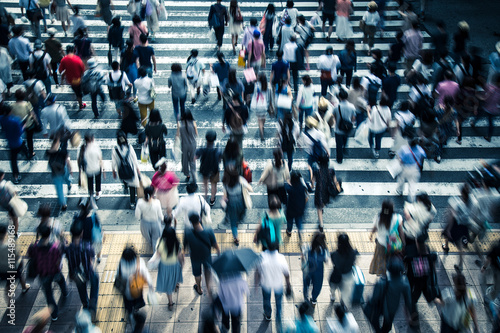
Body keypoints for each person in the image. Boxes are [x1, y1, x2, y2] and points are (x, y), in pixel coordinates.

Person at [28, 224, 68, 321]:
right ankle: (65, 292)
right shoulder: (55, 247)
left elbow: (30, 256)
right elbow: (60, 258)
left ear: (40, 234)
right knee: (61, 281)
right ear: (49, 234)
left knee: (49, 294)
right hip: (55, 271)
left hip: (43, 274)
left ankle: (54, 315)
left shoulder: (34, 247)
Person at [65, 219, 99, 320]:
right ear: (82, 233)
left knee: (82, 291)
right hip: (88, 272)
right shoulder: (87, 246)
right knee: (94, 286)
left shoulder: (68, 249)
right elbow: (92, 259)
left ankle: (85, 305)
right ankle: (92, 307)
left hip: (77, 275)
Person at [368, 257, 412, 333]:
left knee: (375, 321)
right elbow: (408, 300)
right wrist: (408, 312)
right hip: (392, 308)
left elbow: (374, 298)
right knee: (387, 324)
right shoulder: (404, 282)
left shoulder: (382, 281)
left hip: (380, 306)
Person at [255, 240, 291, 330]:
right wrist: (288, 285)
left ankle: (268, 315)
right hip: (278, 284)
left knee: (266, 300)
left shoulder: (262, 257)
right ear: (277, 247)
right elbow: (287, 274)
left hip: (266, 284)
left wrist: (256, 285)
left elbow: (258, 273)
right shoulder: (281, 258)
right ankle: (278, 316)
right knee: (279, 302)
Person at [183, 214, 220, 296]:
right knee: (207, 270)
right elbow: (215, 245)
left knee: (197, 273)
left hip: (195, 257)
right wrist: (218, 253)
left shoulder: (188, 232)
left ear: (190, 222)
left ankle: (199, 288)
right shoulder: (208, 230)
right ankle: (208, 288)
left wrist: (182, 258)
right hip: (206, 255)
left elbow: (184, 248)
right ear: (199, 219)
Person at [115, 247, 153, 320]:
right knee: (137, 301)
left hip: (126, 291)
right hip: (136, 289)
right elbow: (145, 274)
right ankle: (136, 309)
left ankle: (130, 314)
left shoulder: (121, 264)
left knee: (128, 303)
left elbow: (117, 275)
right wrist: (150, 285)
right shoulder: (139, 263)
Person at [153, 221, 184, 311]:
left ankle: (170, 303)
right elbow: (180, 256)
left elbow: (158, 255)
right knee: (174, 278)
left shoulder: (161, 243)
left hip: (165, 266)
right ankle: (175, 285)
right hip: (174, 265)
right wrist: (182, 264)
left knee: (167, 284)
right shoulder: (177, 243)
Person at [369, 200, 404, 276]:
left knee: (382, 260)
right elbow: (401, 232)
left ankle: (383, 275)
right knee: (392, 260)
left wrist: (371, 234)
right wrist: (403, 243)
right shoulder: (398, 217)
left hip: (381, 244)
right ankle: (391, 273)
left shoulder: (378, 217)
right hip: (393, 245)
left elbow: (375, 228)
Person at [222, 167, 253, 245]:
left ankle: (236, 238)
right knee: (240, 215)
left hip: (231, 204)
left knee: (233, 222)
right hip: (241, 202)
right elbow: (250, 189)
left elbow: (225, 196)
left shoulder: (225, 182)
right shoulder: (240, 179)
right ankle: (239, 220)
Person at [112, 131, 141, 209]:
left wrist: (113, 172)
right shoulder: (129, 148)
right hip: (130, 170)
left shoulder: (115, 150)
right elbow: (135, 160)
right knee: (132, 187)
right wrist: (138, 171)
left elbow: (113, 162)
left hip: (121, 171)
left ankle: (125, 186)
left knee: (125, 179)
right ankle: (132, 203)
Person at [0, 104, 28, 185]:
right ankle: (28, 155)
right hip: (18, 142)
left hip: (10, 143)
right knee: (24, 149)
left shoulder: (1, 118)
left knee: (13, 161)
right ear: (10, 111)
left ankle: (16, 177)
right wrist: (24, 126)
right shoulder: (15, 120)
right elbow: (20, 132)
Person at [0, 224, 30, 295]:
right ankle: (24, 287)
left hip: (2, 269)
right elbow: (17, 255)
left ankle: (10, 302)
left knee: (8, 284)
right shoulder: (11, 242)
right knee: (20, 274)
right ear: (5, 233)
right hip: (14, 267)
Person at [330, 233, 358, 306]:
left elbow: (334, 262)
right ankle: (343, 305)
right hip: (348, 275)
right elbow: (354, 262)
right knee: (345, 293)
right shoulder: (353, 253)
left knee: (333, 287)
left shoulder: (334, 254)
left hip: (336, 274)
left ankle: (333, 296)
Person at [195, 130, 222, 206]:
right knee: (214, 185)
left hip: (204, 168)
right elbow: (220, 159)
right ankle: (212, 199)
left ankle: (205, 197)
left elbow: (196, 156)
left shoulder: (203, 147)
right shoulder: (217, 147)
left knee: (205, 184)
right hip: (214, 169)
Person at [302, 232, 329, 307]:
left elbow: (303, 256)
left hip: (308, 270)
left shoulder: (308, 247)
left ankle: (305, 297)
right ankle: (314, 300)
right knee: (317, 285)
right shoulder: (324, 250)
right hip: (318, 271)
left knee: (306, 284)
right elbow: (326, 261)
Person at [11, 88, 38, 160]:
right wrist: (37, 122)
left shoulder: (12, 106)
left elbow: (11, 116)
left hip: (18, 125)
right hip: (28, 124)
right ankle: (31, 152)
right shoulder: (27, 104)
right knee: (29, 139)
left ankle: (24, 151)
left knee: (20, 138)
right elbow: (33, 114)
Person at [396, 138, 426, 202]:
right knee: (412, 184)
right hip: (415, 168)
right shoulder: (420, 150)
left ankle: (400, 190)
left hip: (405, 168)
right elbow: (422, 158)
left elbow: (401, 160)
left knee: (401, 179)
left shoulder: (404, 149)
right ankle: (411, 199)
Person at [472, 73, 500, 142]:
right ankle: (489, 136)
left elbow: (484, 96)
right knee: (491, 123)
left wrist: (478, 95)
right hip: (494, 110)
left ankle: (473, 122)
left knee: (480, 115)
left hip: (486, 107)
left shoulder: (491, 88)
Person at [135, 186, 163, 250]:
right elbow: (160, 215)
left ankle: (150, 244)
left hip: (145, 224)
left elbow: (137, 216)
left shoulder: (140, 202)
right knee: (155, 240)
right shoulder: (157, 202)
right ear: (153, 194)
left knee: (147, 238)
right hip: (155, 223)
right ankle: (154, 253)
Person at [59, 45, 86, 110]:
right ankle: (80, 104)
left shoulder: (64, 59)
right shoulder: (77, 58)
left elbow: (60, 70)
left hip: (70, 79)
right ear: (74, 51)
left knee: (75, 89)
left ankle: (76, 98)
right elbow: (82, 69)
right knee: (78, 92)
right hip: (77, 79)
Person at [333, 89, 356, 164]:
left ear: (340, 97)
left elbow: (334, 117)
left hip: (338, 129)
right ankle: (344, 149)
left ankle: (339, 159)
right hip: (347, 128)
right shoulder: (352, 107)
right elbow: (353, 118)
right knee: (345, 139)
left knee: (338, 145)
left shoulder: (336, 107)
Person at [78, 133, 103, 200]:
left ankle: (91, 194)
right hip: (97, 167)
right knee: (98, 180)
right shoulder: (95, 146)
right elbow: (100, 158)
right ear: (92, 139)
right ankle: (97, 194)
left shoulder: (82, 147)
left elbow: (79, 159)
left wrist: (80, 170)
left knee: (90, 182)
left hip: (88, 169)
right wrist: (103, 168)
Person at [367, 95, 391, 159]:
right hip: (382, 128)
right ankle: (377, 151)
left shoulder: (375, 108)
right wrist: (388, 127)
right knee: (378, 139)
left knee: (370, 137)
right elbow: (388, 121)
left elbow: (371, 119)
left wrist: (368, 111)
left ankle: (372, 146)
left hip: (373, 127)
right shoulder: (388, 109)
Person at [284, 170, 307, 238]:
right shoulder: (302, 187)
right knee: (299, 222)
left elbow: (285, 186)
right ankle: (300, 233)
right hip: (300, 209)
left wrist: (288, 181)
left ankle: (289, 231)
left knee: (290, 222)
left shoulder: (290, 188)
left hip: (291, 209)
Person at [178, 110, 198, 182]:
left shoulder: (180, 125)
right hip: (192, 144)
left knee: (185, 159)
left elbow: (178, 135)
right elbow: (196, 134)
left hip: (184, 145)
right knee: (192, 160)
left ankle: (187, 174)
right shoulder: (193, 123)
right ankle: (193, 174)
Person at [251, 73, 271, 140]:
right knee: (263, 117)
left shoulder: (256, 85)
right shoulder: (267, 86)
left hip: (258, 105)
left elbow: (254, 95)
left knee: (259, 120)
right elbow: (269, 96)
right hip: (264, 104)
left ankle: (261, 132)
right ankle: (262, 126)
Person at [0, 171, 22, 236]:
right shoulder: (6, 184)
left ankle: (10, 219)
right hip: (11, 204)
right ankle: (15, 233)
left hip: (4, 204)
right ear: (2, 175)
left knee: (11, 216)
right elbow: (15, 192)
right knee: (15, 219)